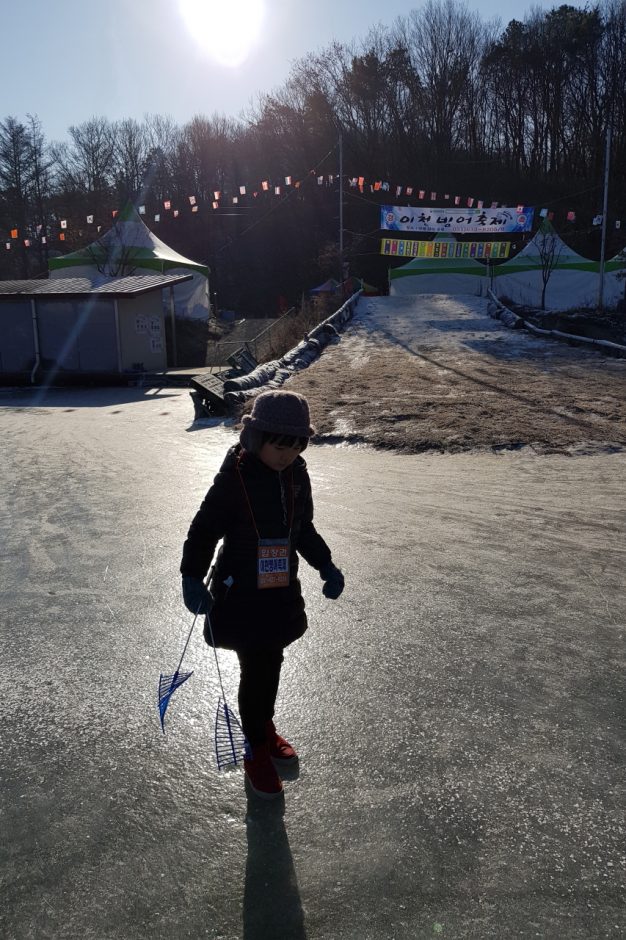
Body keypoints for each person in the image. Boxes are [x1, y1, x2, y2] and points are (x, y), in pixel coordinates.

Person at [180, 390, 344, 799]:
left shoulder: (297, 475)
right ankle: (255, 745)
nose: (287, 455)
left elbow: (303, 529)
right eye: (278, 445)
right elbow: (204, 530)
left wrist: (325, 565)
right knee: (256, 669)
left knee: (270, 664)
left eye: (296, 446)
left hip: (280, 591)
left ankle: (263, 727)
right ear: (256, 439)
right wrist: (191, 577)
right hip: (240, 593)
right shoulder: (234, 478)